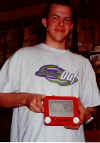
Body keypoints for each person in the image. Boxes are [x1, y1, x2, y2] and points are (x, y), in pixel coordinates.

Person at [0, 0, 100, 141]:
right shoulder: (22, 56)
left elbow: (92, 107)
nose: (61, 24)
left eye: (66, 20)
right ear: (45, 22)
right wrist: (26, 99)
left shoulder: (83, 64)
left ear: (71, 26)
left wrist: (86, 115)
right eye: (55, 18)